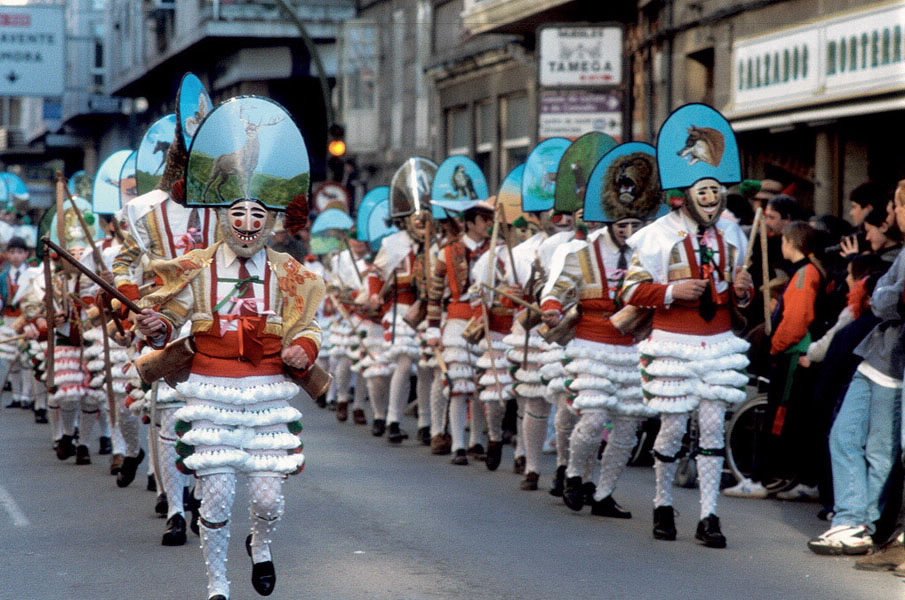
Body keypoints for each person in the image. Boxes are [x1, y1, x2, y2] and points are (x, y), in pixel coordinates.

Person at [136, 96, 325, 600]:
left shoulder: (293, 275)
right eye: (237, 211)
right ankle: (217, 584)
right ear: (223, 214)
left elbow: (309, 327)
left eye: (256, 214)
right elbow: (170, 320)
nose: (246, 222)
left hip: (266, 391)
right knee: (215, 497)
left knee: (268, 501)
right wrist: (158, 326)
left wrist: (303, 348)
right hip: (210, 388)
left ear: (270, 221)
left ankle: (260, 546)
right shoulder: (194, 267)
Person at [621, 103, 753, 548]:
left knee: (713, 428)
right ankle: (662, 503)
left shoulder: (733, 234)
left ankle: (710, 515)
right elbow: (632, 291)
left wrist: (742, 290)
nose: (712, 202)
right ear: (686, 194)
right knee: (674, 427)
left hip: (718, 342)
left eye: (717, 194)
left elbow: (743, 300)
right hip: (673, 341)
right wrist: (675, 292)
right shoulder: (656, 235)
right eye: (704, 193)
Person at [542, 141, 663, 518]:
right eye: (622, 224)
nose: (628, 231)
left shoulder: (652, 252)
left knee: (628, 426)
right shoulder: (584, 252)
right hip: (591, 345)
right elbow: (559, 290)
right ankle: (575, 475)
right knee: (592, 418)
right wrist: (550, 309)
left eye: (634, 224)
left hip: (632, 347)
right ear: (609, 220)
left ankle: (604, 492)